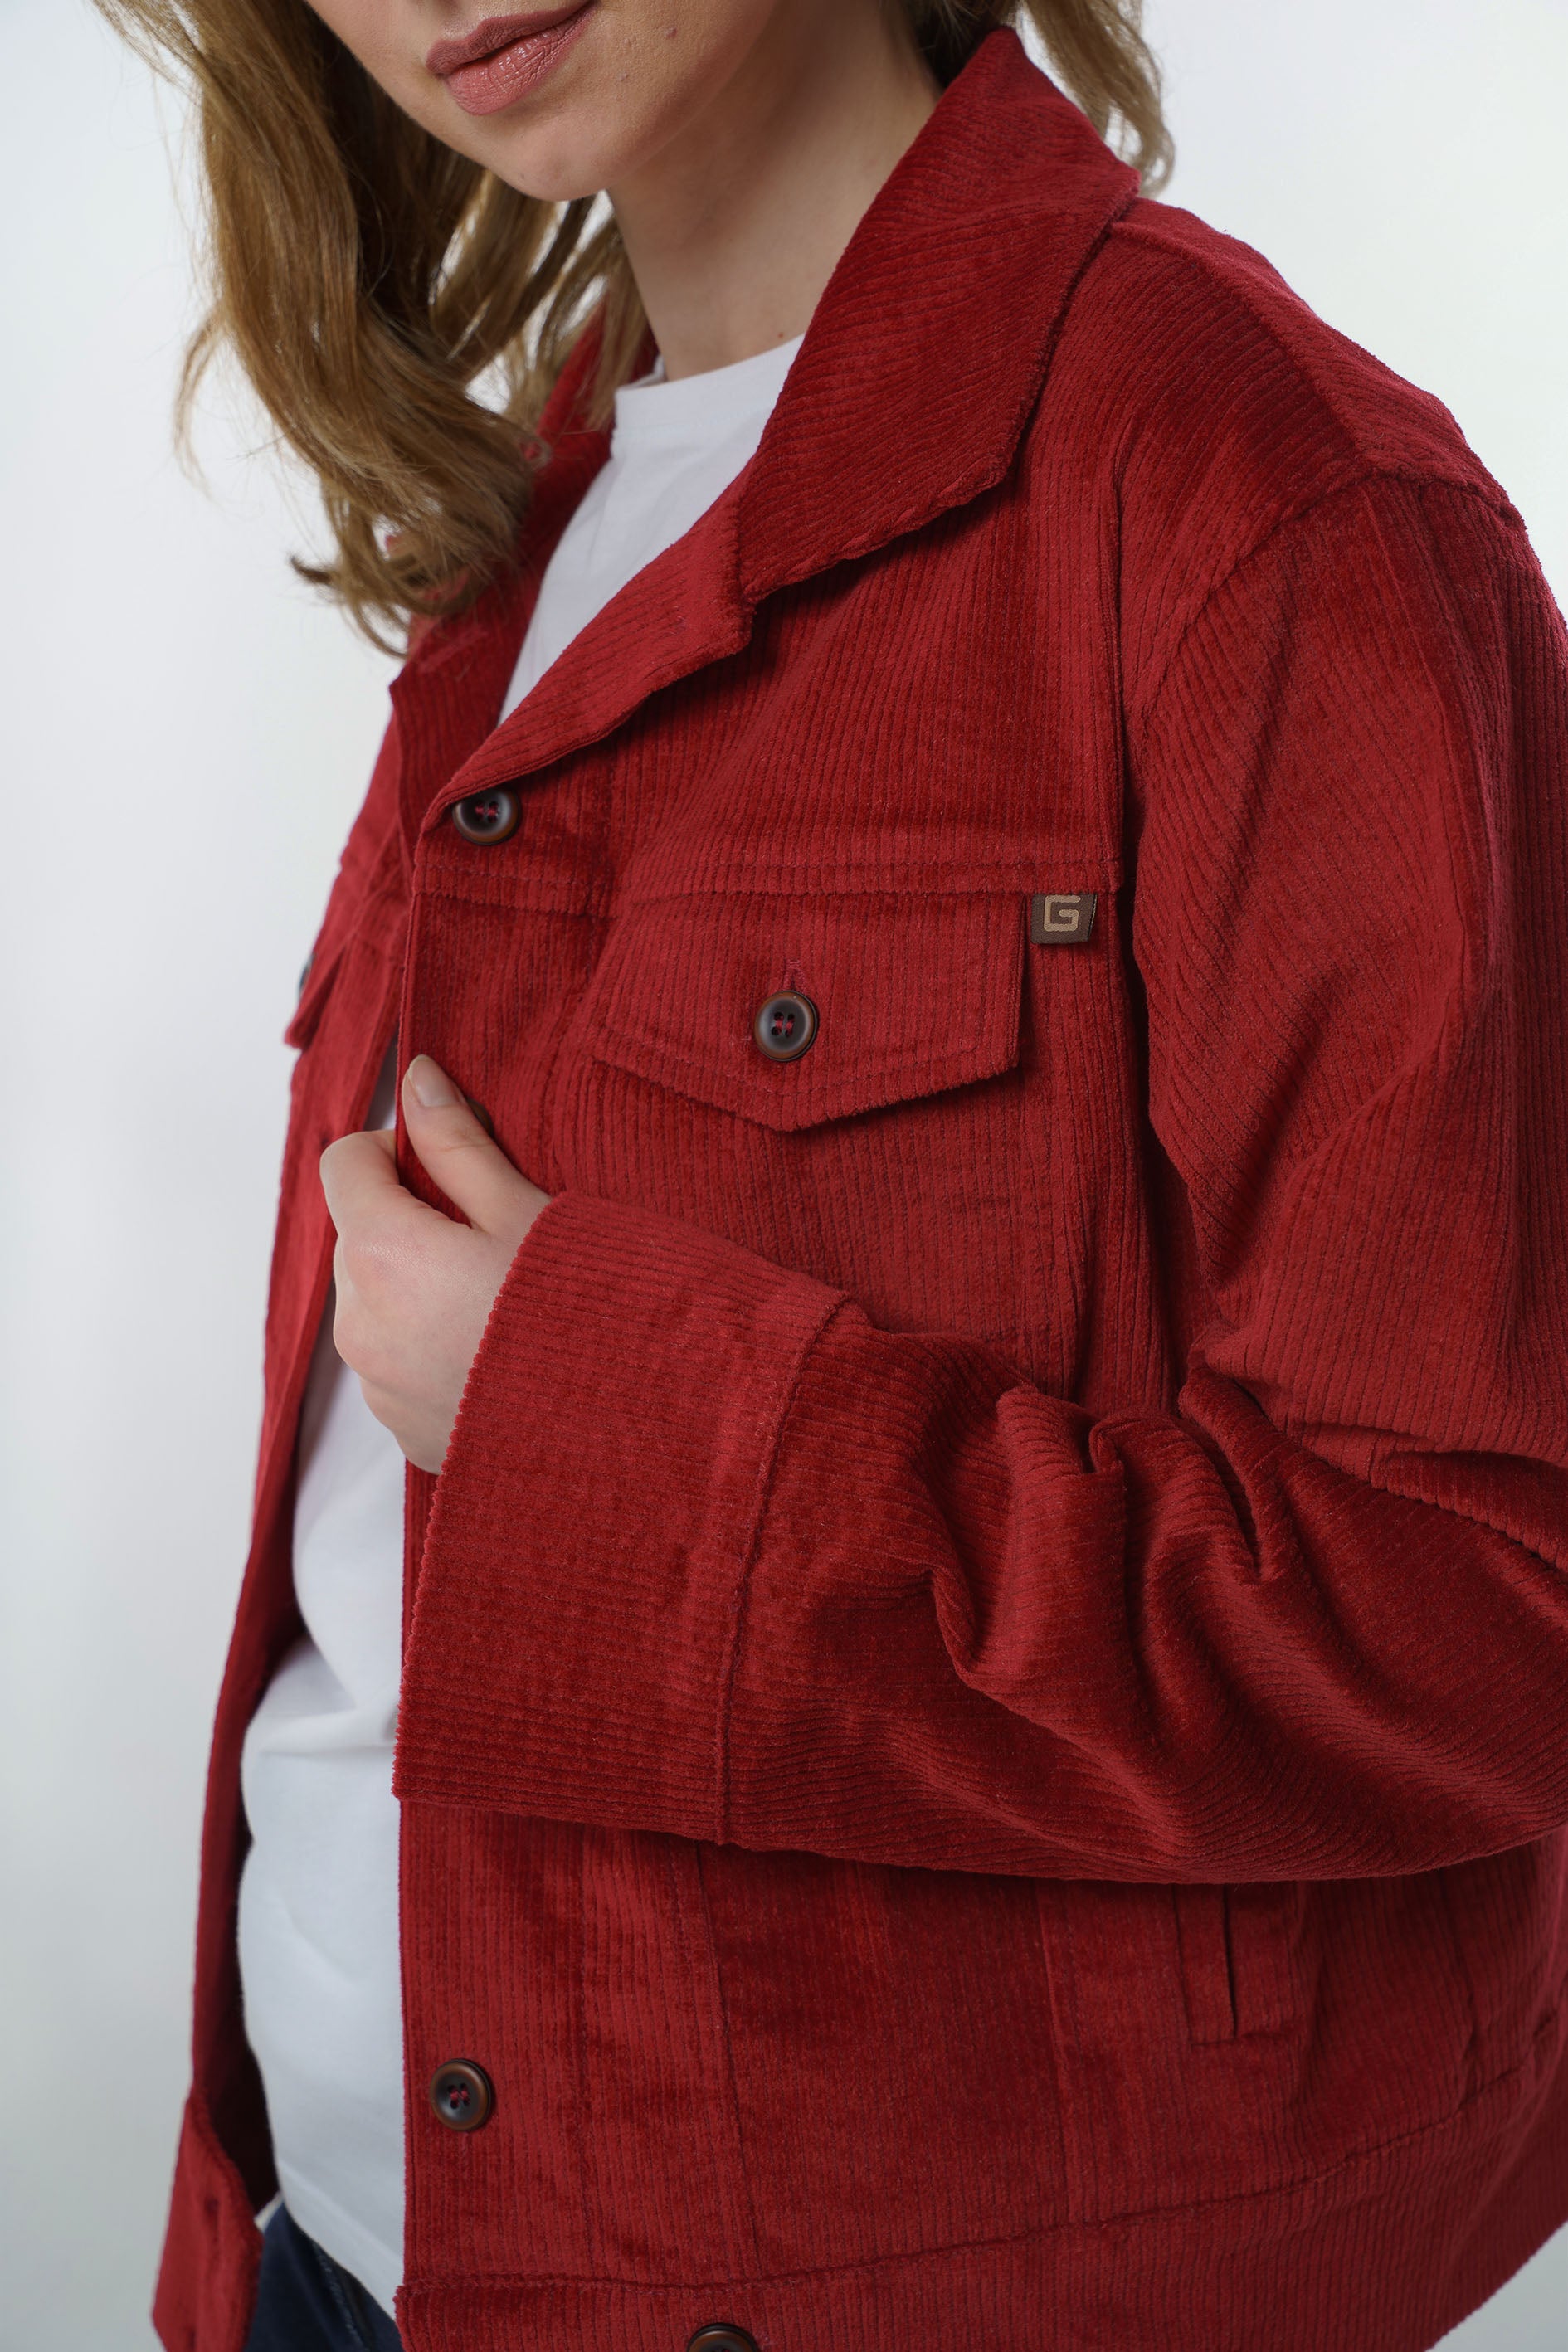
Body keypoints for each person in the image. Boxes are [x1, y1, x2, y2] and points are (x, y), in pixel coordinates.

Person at [93, 0, 1568, 2347]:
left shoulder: (1257, 498)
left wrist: (602, 1424)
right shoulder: (545, 514)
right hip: (333, 2258)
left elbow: (1489, 1601)